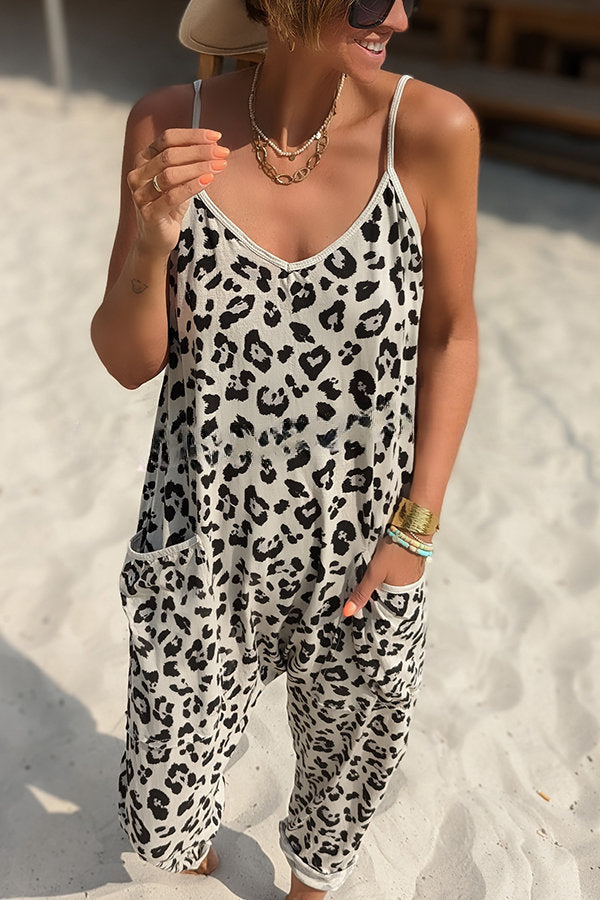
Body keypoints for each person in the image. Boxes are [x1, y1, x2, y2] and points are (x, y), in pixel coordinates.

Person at [91, 0, 479, 897]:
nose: (398, 16)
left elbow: (452, 334)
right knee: (165, 810)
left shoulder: (429, 130)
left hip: (362, 545)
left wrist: (416, 529)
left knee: (343, 782)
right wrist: (153, 241)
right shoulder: (170, 123)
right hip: (199, 538)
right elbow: (125, 361)